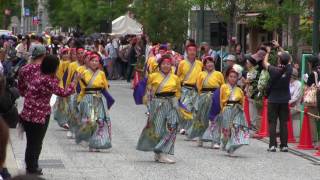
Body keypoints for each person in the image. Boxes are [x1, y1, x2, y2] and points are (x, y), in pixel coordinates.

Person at [19, 55, 78, 175]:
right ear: (54, 67)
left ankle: (31, 165)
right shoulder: (47, 80)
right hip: (38, 115)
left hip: (28, 113)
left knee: (31, 142)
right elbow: (64, 93)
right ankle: (32, 167)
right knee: (36, 143)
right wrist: (75, 81)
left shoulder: (38, 76)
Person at [137, 55, 181, 164]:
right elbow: (148, 92)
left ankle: (162, 151)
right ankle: (158, 153)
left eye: (168, 64)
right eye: (164, 64)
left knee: (173, 126)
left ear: (171, 65)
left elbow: (178, 91)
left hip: (171, 102)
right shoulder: (153, 76)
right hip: (158, 103)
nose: (166, 66)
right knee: (158, 128)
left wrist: (176, 101)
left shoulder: (175, 77)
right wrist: (149, 104)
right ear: (160, 65)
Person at [76, 53, 112, 151]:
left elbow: (106, 88)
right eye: (93, 60)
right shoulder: (84, 73)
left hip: (99, 98)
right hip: (87, 98)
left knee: (100, 121)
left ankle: (97, 142)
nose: (94, 63)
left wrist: (108, 100)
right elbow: (82, 89)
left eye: (97, 61)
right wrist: (79, 100)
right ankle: (89, 140)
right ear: (89, 61)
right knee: (90, 120)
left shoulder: (102, 73)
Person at [187, 56, 224, 147]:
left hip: (215, 96)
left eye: (211, 62)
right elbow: (198, 87)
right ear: (204, 65)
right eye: (207, 62)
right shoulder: (201, 74)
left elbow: (223, 87)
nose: (210, 64)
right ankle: (200, 137)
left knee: (215, 118)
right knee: (202, 118)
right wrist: (200, 98)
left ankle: (215, 141)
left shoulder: (219, 74)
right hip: (203, 96)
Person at [262, 50, 292, 152]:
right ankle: (284, 145)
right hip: (284, 100)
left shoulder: (273, 70)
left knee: (272, 122)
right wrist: (281, 49)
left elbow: (264, 62)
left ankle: (272, 145)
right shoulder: (289, 69)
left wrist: (268, 52)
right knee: (284, 123)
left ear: (279, 60)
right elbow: (289, 58)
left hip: (273, 99)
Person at [218, 67, 250, 155]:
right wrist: (222, 110)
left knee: (236, 128)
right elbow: (221, 100)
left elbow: (242, 102)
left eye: (235, 77)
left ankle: (231, 147)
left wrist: (241, 112)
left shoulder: (239, 90)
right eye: (231, 76)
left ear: (237, 78)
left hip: (237, 110)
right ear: (228, 77)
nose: (232, 78)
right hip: (227, 108)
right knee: (226, 129)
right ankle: (225, 143)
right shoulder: (223, 87)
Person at [53, 48, 71, 129]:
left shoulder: (71, 63)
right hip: (62, 86)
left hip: (69, 85)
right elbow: (58, 76)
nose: (66, 55)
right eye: (64, 53)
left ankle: (66, 121)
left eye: (67, 53)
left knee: (69, 105)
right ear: (61, 55)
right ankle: (63, 121)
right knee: (63, 105)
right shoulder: (60, 63)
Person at [305, 55, 320, 145]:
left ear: (311, 63)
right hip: (319, 98)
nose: (308, 64)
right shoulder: (319, 71)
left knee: (312, 119)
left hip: (313, 99)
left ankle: (315, 141)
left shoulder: (312, 74)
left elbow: (308, 87)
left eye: (309, 62)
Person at [289, 68, 302, 137]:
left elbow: (295, 98)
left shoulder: (298, 84)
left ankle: (280, 131)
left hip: (297, 106)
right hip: (289, 105)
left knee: (282, 112)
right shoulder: (288, 83)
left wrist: (286, 102)